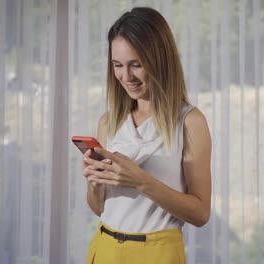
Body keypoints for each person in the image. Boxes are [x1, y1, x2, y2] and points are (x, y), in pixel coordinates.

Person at [82, 6, 212, 264]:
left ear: (159, 60)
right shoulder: (109, 122)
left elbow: (200, 213)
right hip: (104, 248)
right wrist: (95, 183)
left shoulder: (190, 122)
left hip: (157, 254)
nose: (126, 76)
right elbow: (99, 207)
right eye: (117, 65)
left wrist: (141, 181)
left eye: (136, 65)